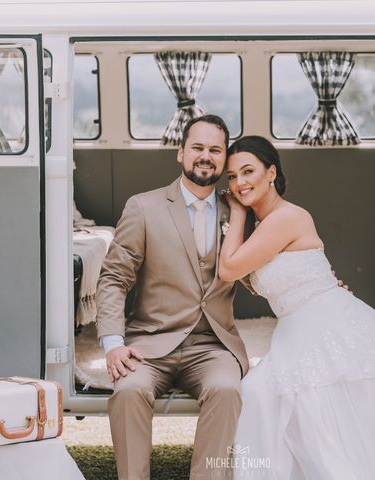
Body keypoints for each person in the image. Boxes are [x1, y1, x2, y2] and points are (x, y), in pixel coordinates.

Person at [219, 136, 375, 479]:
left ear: (271, 172)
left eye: (248, 171)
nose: (239, 183)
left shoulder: (286, 218)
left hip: (328, 327)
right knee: (261, 395)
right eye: (231, 177)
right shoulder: (264, 225)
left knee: (327, 428)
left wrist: (235, 211)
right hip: (298, 330)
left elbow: (229, 269)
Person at [96, 114, 248, 480]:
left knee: (227, 389)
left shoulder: (240, 212)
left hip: (212, 346)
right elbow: (114, 278)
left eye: (215, 149)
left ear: (225, 158)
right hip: (149, 343)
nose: (206, 156)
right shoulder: (143, 207)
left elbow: (265, 268)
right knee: (129, 390)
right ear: (180, 153)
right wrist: (114, 344)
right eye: (197, 147)